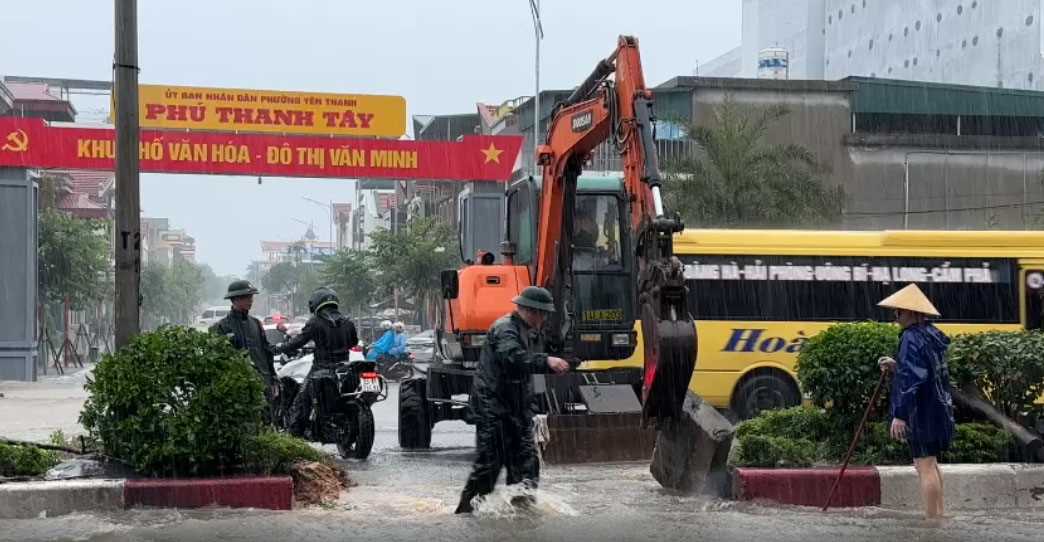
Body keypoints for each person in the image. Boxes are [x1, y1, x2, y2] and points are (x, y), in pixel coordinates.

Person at [455, 286, 572, 514]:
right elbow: (513, 358)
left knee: (527, 466)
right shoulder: (505, 329)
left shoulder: (527, 331)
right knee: (487, 469)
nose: (545, 318)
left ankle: (522, 516)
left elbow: (524, 369)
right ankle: (465, 516)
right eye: (543, 313)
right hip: (493, 410)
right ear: (531, 311)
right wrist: (546, 361)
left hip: (517, 409)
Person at [877, 283, 954, 520]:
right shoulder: (931, 334)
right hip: (938, 406)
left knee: (924, 465)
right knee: (932, 463)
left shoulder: (911, 338)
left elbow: (913, 379)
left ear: (911, 312)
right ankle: (940, 514)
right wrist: (897, 366)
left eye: (898, 311)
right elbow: (924, 371)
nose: (895, 316)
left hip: (921, 410)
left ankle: (932, 520)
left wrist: (900, 414)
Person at [273, 287, 359, 438]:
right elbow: (353, 342)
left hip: (322, 367)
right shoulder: (348, 322)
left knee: (300, 402)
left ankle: (293, 438)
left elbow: (298, 341)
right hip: (345, 367)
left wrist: (280, 348)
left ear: (316, 304)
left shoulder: (315, 322)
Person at [209, 280, 279, 412]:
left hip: (263, 384)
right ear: (235, 299)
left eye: (251, 297)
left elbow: (266, 352)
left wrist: (273, 379)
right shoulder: (221, 328)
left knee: (267, 424)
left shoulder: (256, 324)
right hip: (238, 389)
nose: (251, 300)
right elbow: (217, 361)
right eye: (247, 297)